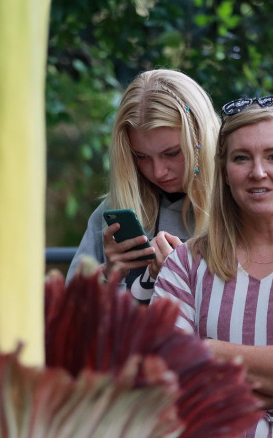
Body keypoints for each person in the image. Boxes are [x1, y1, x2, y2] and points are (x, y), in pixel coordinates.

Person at [152, 95, 273, 436]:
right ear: (225, 172)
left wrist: (204, 351)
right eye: (241, 158)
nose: (257, 172)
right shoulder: (185, 266)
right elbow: (165, 381)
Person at [66, 69, 220, 303]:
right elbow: (66, 315)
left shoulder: (237, 206)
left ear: (201, 140)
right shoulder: (114, 211)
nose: (158, 171)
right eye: (141, 156)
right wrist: (109, 273)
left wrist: (178, 277)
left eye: (171, 153)